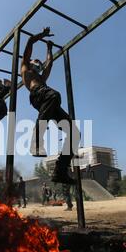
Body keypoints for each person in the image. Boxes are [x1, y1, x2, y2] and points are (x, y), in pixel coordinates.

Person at [21, 27, 80, 185]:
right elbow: (29, 42)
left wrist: (49, 48)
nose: (39, 62)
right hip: (39, 95)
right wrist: (42, 36)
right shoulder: (25, 69)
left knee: (75, 134)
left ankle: (60, 171)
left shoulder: (42, 76)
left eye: (40, 62)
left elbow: (50, 63)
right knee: (54, 95)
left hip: (49, 100)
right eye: (36, 60)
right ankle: (36, 142)